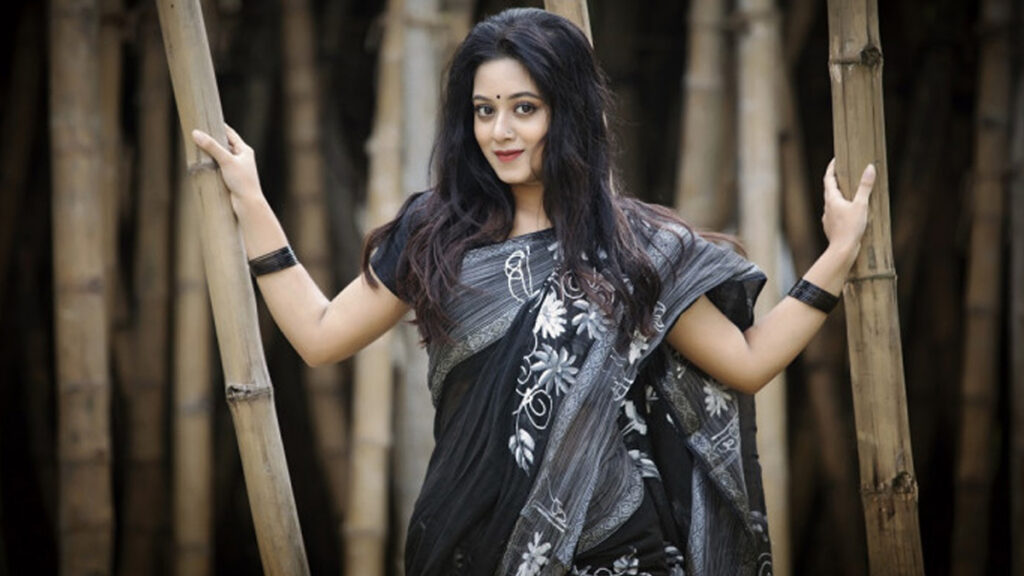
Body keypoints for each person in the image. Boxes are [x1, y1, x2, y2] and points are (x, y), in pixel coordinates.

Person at [191, 7, 875, 576]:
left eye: (525, 109)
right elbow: (318, 336)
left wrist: (838, 256)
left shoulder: (634, 248)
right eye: (484, 110)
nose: (500, 132)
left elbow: (747, 361)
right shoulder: (438, 234)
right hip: (467, 540)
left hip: (614, 549)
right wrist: (252, 202)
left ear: (568, 112)